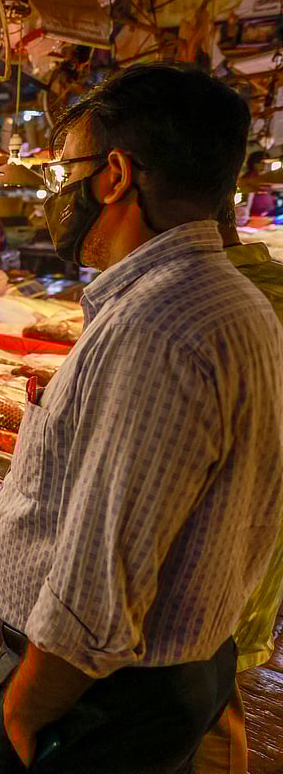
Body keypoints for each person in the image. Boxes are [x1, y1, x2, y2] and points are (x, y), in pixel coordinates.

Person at [0, 64, 283, 773]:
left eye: (66, 168)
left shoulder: (159, 325)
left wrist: (23, 710)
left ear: (113, 175)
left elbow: (99, 582)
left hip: (94, 702)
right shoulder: (227, 296)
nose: (58, 191)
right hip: (164, 673)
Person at [192, 203, 283, 774]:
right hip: (261, 544)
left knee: (207, 700)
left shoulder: (208, 306)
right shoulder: (270, 286)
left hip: (217, 556)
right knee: (221, 687)